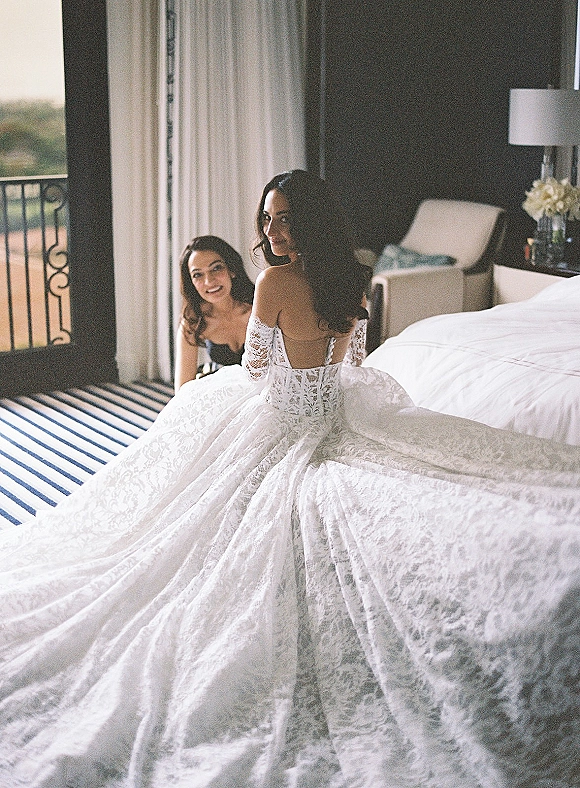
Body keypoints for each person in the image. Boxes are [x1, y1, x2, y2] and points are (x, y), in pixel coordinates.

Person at [1, 170, 580, 788]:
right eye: (267, 219)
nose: (271, 233)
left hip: (283, 414)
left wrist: (275, 368)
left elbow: (253, 369)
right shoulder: (354, 273)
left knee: (185, 433)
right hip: (335, 407)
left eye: (281, 219)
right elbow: (351, 359)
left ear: (308, 224)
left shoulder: (276, 281)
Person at [174, 234, 254, 391]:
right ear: (191, 282)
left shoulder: (260, 308)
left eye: (216, 268)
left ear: (232, 270)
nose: (209, 281)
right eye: (198, 274)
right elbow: (182, 389)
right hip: (228, 393)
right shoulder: (194, 322)